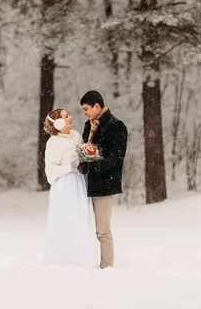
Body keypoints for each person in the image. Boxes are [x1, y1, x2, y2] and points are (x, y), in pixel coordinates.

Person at [43, 108, 99, 269]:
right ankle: (63, 259)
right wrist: (70, 166)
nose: (70, 117)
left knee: (82, 219)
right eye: (66, 117)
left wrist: (88, 155)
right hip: (64, 186)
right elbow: (51, 171)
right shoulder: (53, 142)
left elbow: (82, 153)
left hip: (79, 183)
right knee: (67, 220)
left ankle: (84, 260)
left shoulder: (75, 135)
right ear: (59, 123)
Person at [78, 90, 128, 269]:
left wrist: (92, 165)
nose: (84, 113)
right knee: (87, 229)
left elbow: (116, 159)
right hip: (87, 185)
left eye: (86, 109)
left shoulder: (116, 126)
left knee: (103, 231)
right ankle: (88, 262)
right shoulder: (88, 125)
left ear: (97, 106)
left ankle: (107, 267)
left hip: (105, 184)